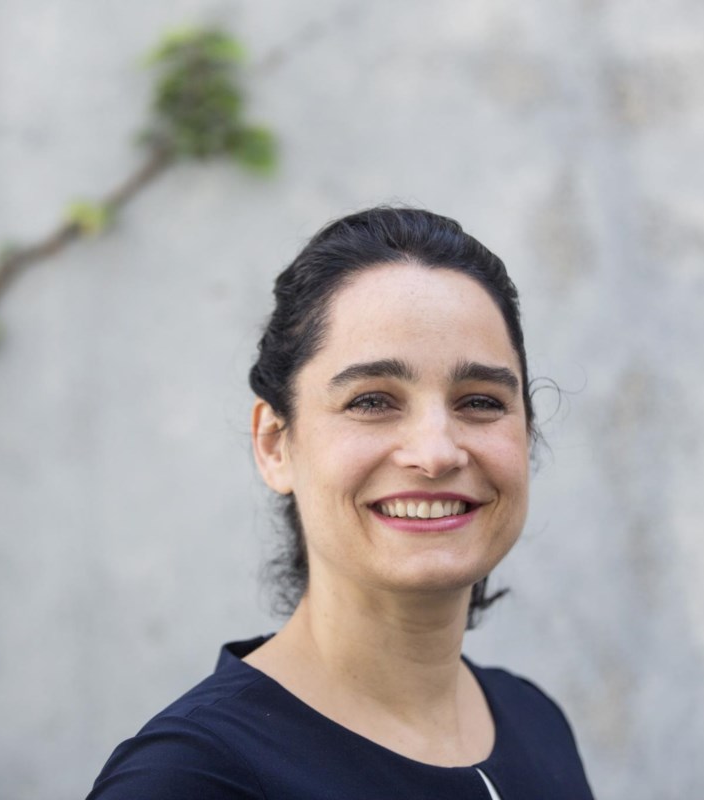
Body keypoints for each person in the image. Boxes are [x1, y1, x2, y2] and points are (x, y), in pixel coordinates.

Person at [87, 207, 594, 799]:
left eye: (480, 401)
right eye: (372, 401)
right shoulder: (192, 778)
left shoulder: (536, 722)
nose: (436, 453)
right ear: (275, 444)